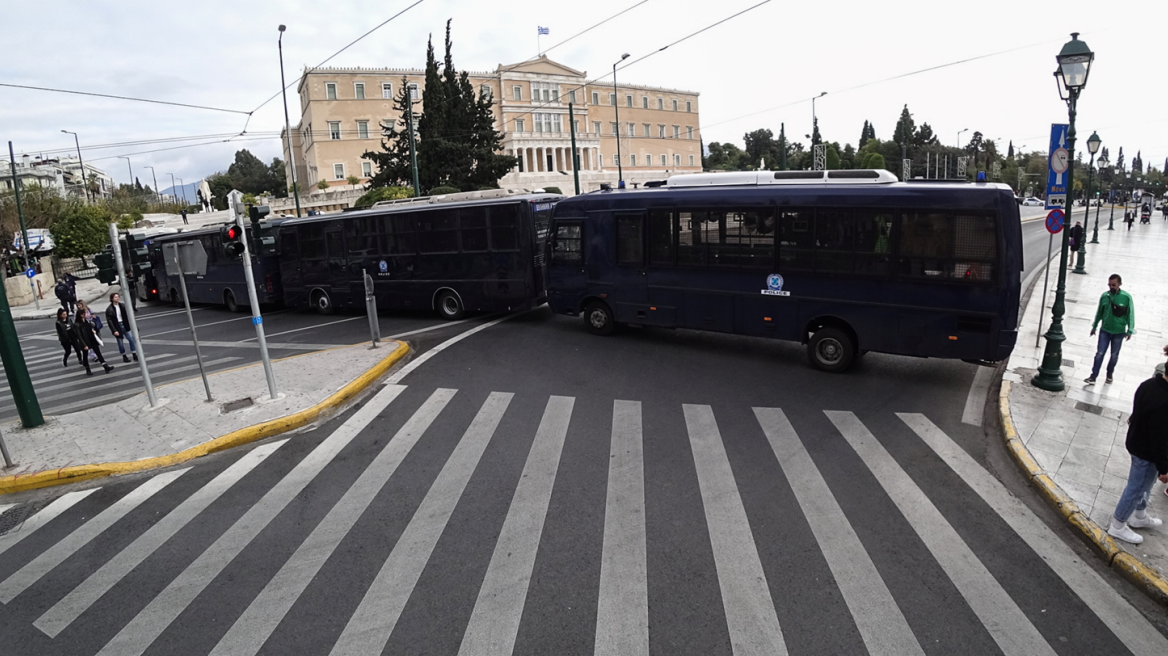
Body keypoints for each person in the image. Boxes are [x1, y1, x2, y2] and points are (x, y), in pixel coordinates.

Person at [1108, 355, 1168, 544]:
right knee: (1137, 487)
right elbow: (1160, 440)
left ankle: (1139, 515)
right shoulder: (1165, 403)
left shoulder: (1149, 384)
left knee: (1145, 484)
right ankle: (1118, 525)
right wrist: (1165, 469)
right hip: (1146, 452)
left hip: (1136, 442)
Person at [1086, 274, 1135, 384]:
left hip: (1119, 332)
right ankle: (1093, 376)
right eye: (1109, 285)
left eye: (1114, 285)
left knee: (1114, 356)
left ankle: (1109, 373)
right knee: (1100, 354)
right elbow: (1099, 312)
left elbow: (1130, 314)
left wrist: (1130, 330)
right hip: (1105, 330)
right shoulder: (1104, 296)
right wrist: (1094, 326)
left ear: (1119, 284)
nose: (1111, 287)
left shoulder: (1126, 297)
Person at [73, 309, 113, 375]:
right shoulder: (77, 325)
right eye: (85, 313)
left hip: (92, 339)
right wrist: (84, 345)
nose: (87, 314)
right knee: (85, 355)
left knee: (98, 353)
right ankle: (87, 369)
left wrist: (93, 331)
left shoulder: (86, 321)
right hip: (85, 341)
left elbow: (90, 328)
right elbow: (79, 336)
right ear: (81, 315)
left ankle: (105, 366)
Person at [105, 291, 138, 363]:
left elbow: (128, 316)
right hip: (117, 326)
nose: (118, 298)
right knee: (120, 343)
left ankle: (134, 354)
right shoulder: (109, 309)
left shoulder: (122, 306)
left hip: (124, 324)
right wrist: (114, 330)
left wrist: (133, 326)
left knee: (131, 339)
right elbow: (110, 322)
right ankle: (124, 356)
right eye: (116, 297)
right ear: (112, 299)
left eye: (118, 297)